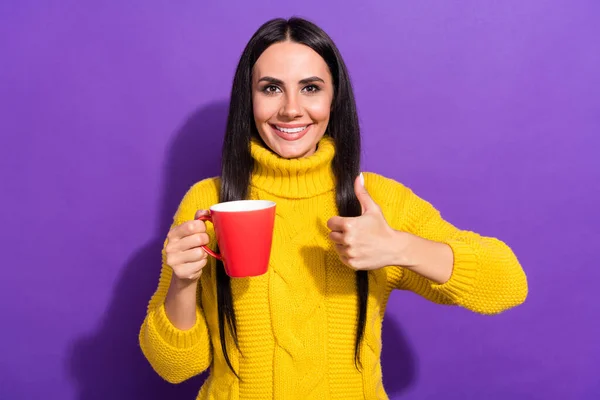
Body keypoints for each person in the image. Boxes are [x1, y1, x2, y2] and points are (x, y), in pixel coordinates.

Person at [139, 17, 528, 399]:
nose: (291, 109)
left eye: (310, 88)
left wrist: (398, 248)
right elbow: (175, 367)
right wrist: (183, 282)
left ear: (333, 98)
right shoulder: (207, 202)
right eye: (271, 88)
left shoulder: (372, 200)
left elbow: (508, 284)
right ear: (249, 99)